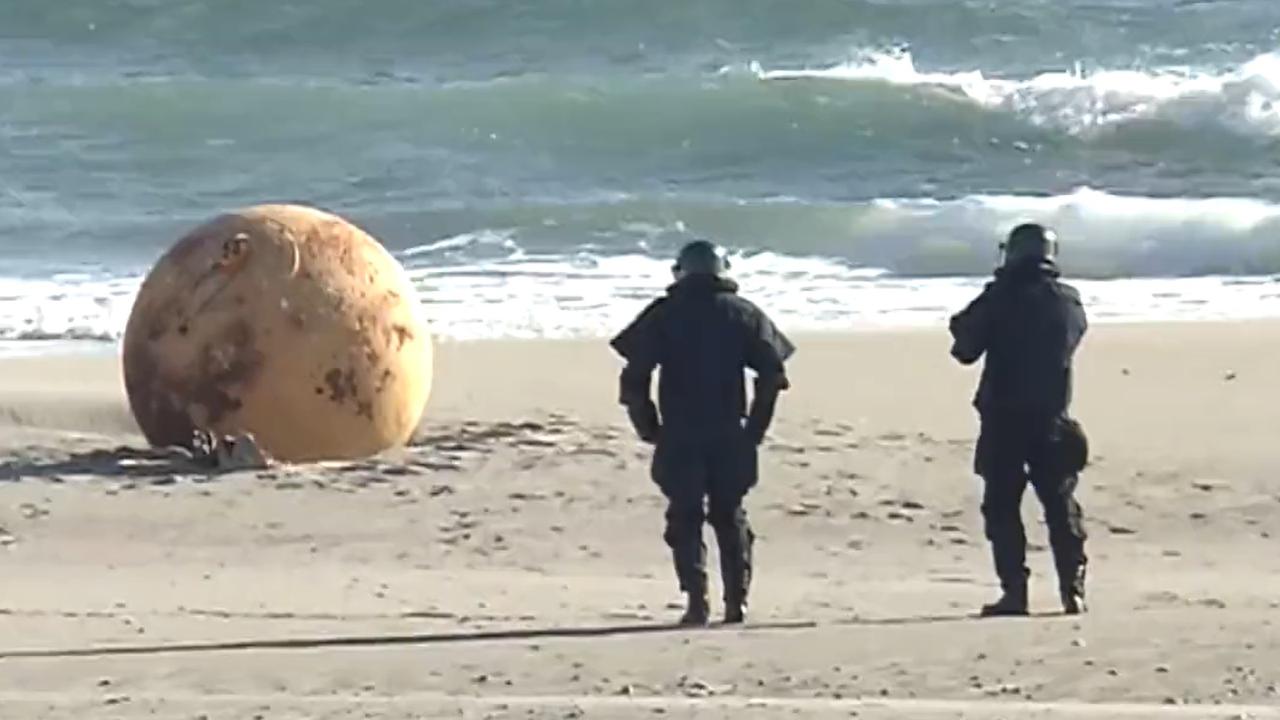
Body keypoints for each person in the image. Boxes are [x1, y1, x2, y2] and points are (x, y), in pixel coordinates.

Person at [610, 240, 795, 626]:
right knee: (730, 515)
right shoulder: (744, 314)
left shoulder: (664, 314)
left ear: (681, 272)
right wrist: (756, 430)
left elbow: (634, 378)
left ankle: (697, 602)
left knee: (685, 516)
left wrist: (648, 427)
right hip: (731, 432)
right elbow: (772, 376)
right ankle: (736, 603)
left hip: (679, 433)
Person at [949, 223, 1090, 617]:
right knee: (1060, 505)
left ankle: (1016, 593)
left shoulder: (1000, 298)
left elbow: (964, 349)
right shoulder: (1067, 300)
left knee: (1002, 506)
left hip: (1003, 419)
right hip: (1052, 418)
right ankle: (1072, 589)